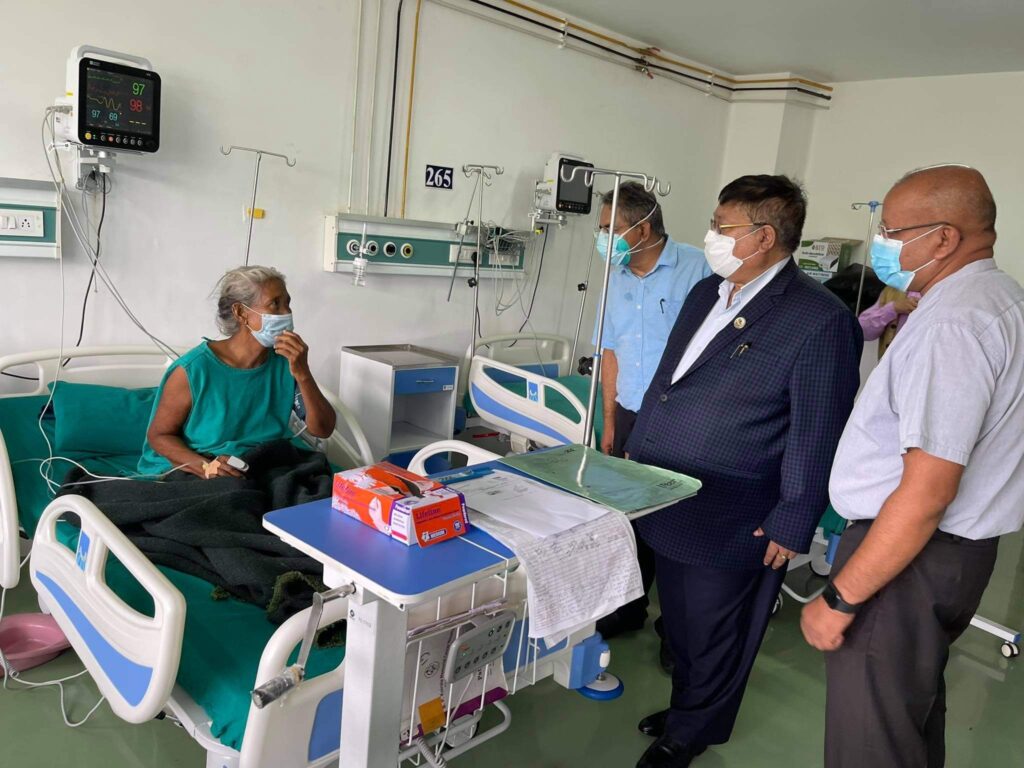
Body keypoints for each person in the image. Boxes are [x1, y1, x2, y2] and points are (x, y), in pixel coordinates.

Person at [625, 175, 863, 768]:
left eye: (722, 227)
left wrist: (794, 517)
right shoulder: (707, 293)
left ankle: (691, 733)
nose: (711, 236)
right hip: (667, 492)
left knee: (716, 634)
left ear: (763, 237)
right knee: (680, 623)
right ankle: (686, 711)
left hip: (735, 509)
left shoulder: (818, 319)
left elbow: (817, 430)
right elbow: (667, 381)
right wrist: (637, 450)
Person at [801, 165, 1024, 768]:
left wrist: (840, 598)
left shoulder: (954, 324)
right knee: (907, 718)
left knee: (870, 741)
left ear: (945, 237)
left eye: (893, 232)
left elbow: (926, 492)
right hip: (946, 557)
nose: (882, 243)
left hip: (906, 559)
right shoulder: (999, 299)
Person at [591, 182, 711, 649]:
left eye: (611, 229)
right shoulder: (614, 279)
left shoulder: (698, 269)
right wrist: (609, 421)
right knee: (626, 518)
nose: (603, 238)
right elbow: (611, 353)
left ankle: (675, 634)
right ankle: (628, 608)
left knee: (678, 525)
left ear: (642, 229)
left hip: (681, 418)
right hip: (630, 413)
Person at [138, 265, 336, 477]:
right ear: (241, 313)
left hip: (262, 461)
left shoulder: (286, 363)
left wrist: (303, 373)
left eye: (288, 303)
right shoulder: (194, 370)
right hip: (202, 464)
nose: (286, 312)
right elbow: (160, 436)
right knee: (234, 494)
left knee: (322, 484)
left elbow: (322, 430)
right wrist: (206, 467)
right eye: (275, 304)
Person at [858, 285, 919, 358]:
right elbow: (862, 329)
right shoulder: (892, 290)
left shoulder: (931, 293)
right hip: (891, 361)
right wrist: (893, 308)